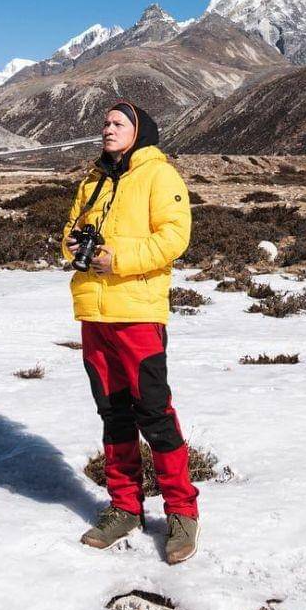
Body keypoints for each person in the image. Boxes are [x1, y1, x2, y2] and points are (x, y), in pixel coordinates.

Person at [62, 101, 200, 564]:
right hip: (95, 314)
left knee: (154, 413)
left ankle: (181, 510)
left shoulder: (160, 176)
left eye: (117, 123)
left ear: (139, 131)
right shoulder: (93, 180)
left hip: (138, 312)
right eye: (105, 122)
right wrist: (75, 246)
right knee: (113, 414)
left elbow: (174, 237)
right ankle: (124, 506)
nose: (108, 128)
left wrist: (116, 258)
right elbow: (69, 233)